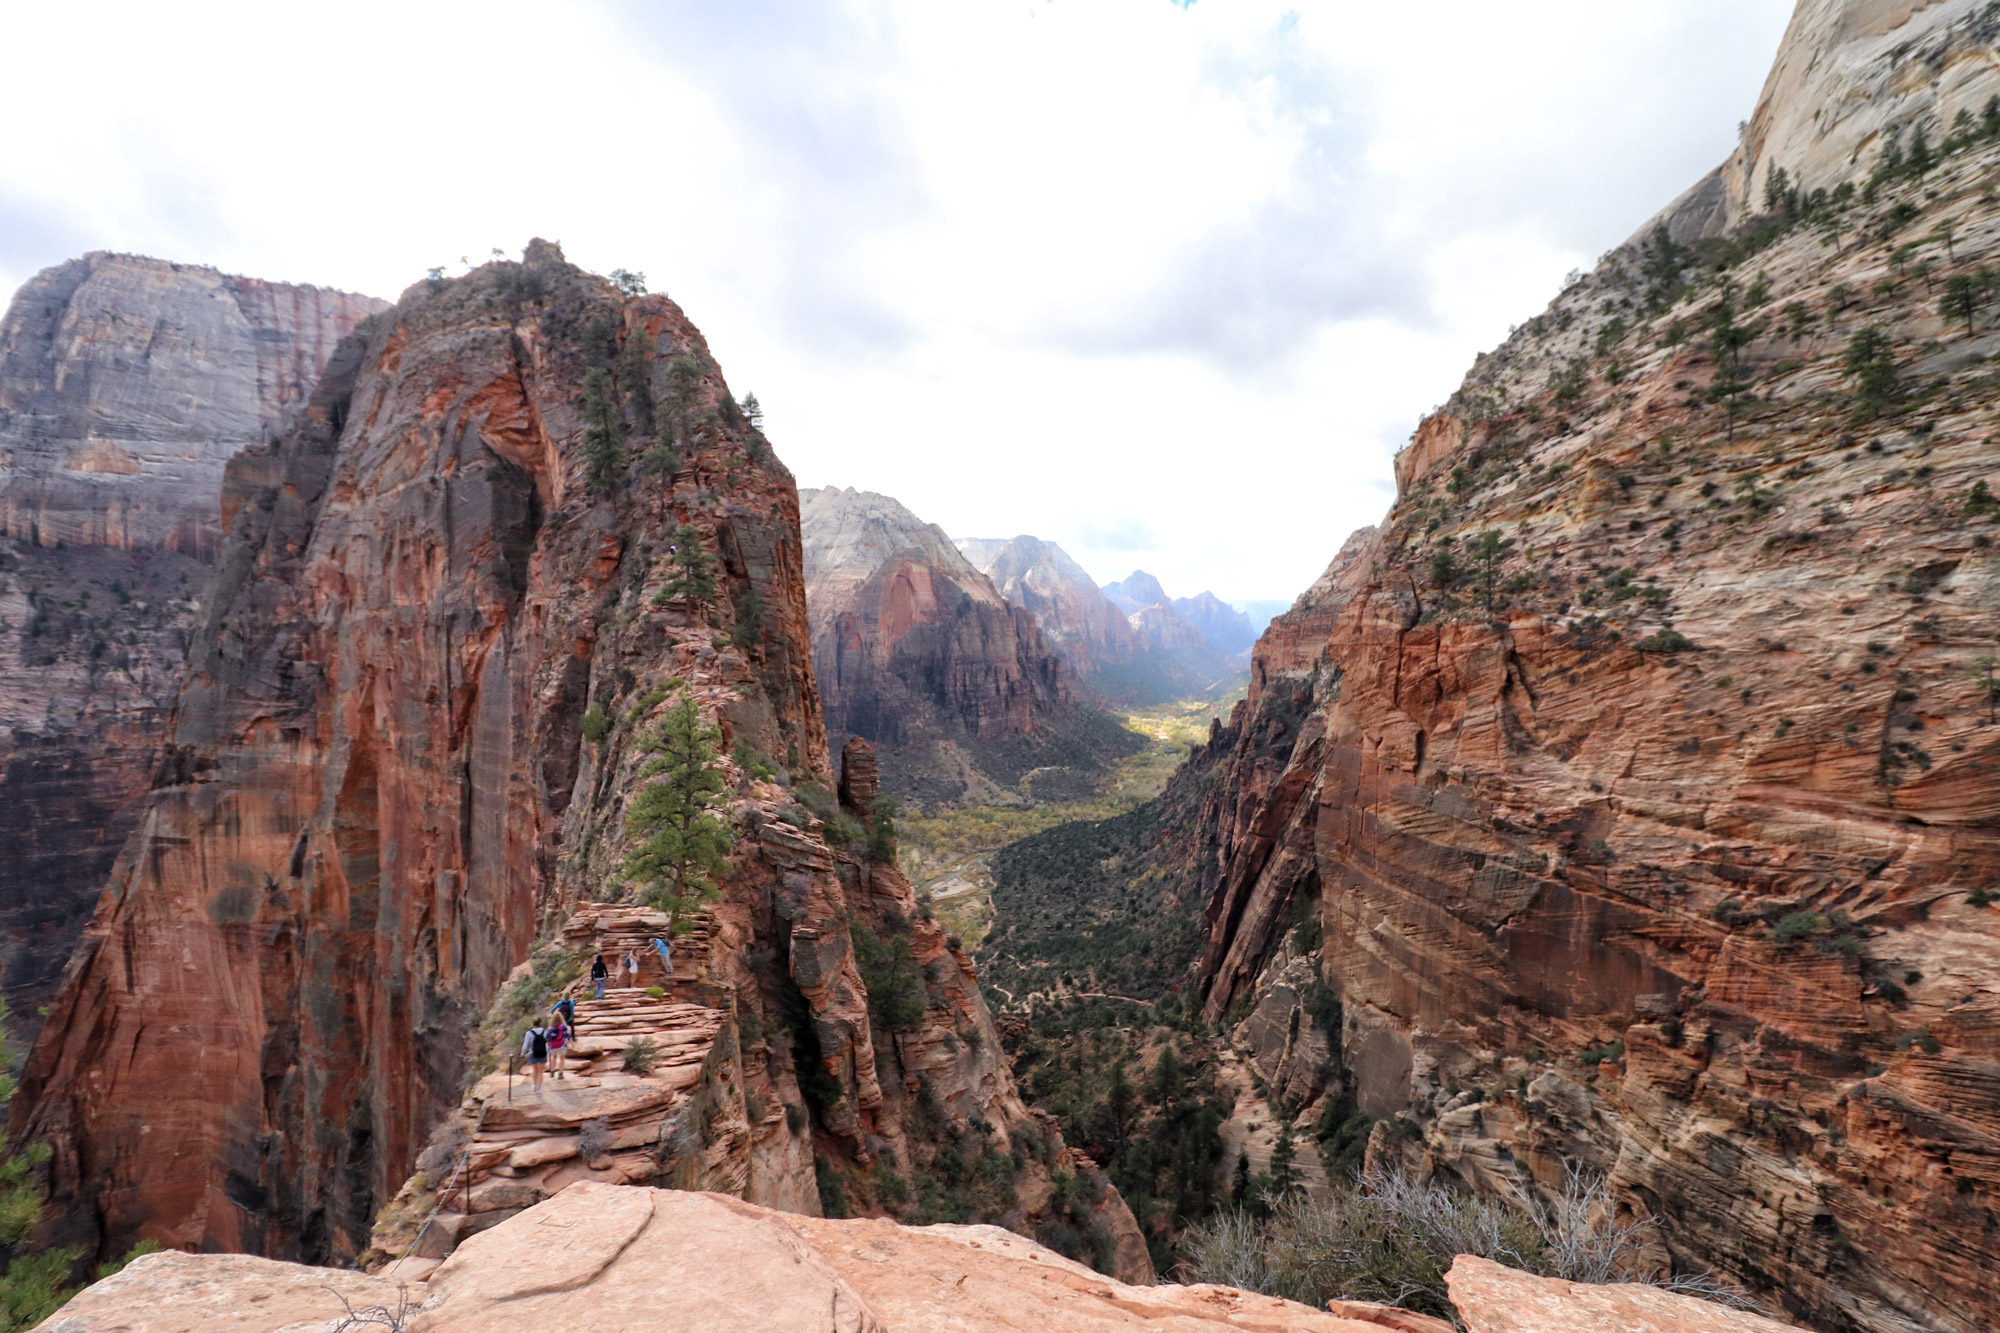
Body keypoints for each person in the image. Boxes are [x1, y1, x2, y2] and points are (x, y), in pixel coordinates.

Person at [522, 1019, 550, 1092]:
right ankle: (539, 1089)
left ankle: (534, 1085)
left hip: (533, 1053)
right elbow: (547, 1042)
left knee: (535, 1069)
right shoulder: (544, 1032)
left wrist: (523, 1053)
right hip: (543, 1053)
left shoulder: (529, 1033)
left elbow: (525, 1045)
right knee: (540, 1071)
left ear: (533, 1024)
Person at [548, 1013, 570, 1080]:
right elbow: (567, 1035)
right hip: (561, 1045)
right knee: (562, 1059)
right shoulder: (563, 1026)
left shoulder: (550, 1027)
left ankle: (552, 1071)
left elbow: (547, 1037)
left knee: (553, 1058)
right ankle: (560, 1074)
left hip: (553, 1046)